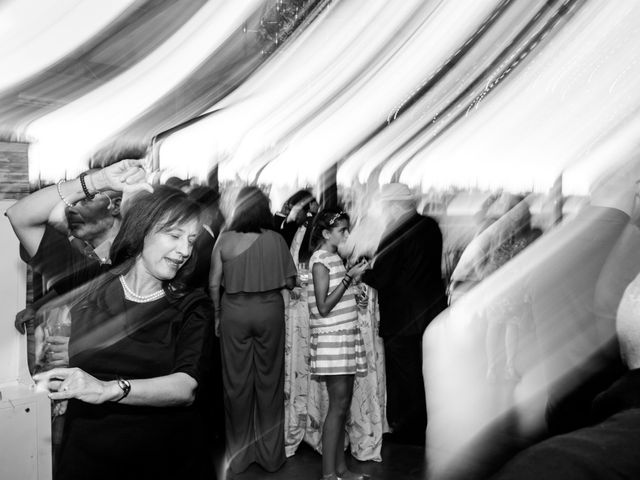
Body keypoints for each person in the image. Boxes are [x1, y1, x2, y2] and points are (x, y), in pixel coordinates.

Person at [7, 160, 215, 480]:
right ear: (143, 229)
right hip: (90, 457)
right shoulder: (90, 284)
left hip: (166, 458)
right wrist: (100, 180)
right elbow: (21, 216)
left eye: (190, 239)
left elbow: (185, 387)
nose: (184, 249)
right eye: (174, 235)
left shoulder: (191, 304)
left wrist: (108, 389)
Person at [209, 186, 297, 475]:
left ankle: (240, 456)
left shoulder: (225, 239)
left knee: (236, 384)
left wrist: (218, 315)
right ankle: (271, 456)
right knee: (269, 382)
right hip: (269, 311)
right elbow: (290, 282)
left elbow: (213, 284)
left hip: (235, 311)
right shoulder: (276, 239)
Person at [362, 183, 447, 444]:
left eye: (386, 206)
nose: (384, 211)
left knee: (402, 375)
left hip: (401, 316)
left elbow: (383, 278)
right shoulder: (431, 226)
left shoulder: (395, 231)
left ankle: (405, 429)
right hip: (430, 311)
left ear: (395, 205)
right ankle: (422, 423)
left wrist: (363, 272)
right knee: (422, 372)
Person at [307, 209, 369, 480]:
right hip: (333, 339)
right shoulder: (321, 260)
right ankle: (329, 474)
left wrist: (355, 286)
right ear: (325, 233)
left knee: (342, 406)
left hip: (343, 336)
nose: (347, 234)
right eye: (342, 230)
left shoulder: (334, 258)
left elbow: (339, 300)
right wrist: (348, 278)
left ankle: (340, 469)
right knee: (337, 406)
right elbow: (323, 306)